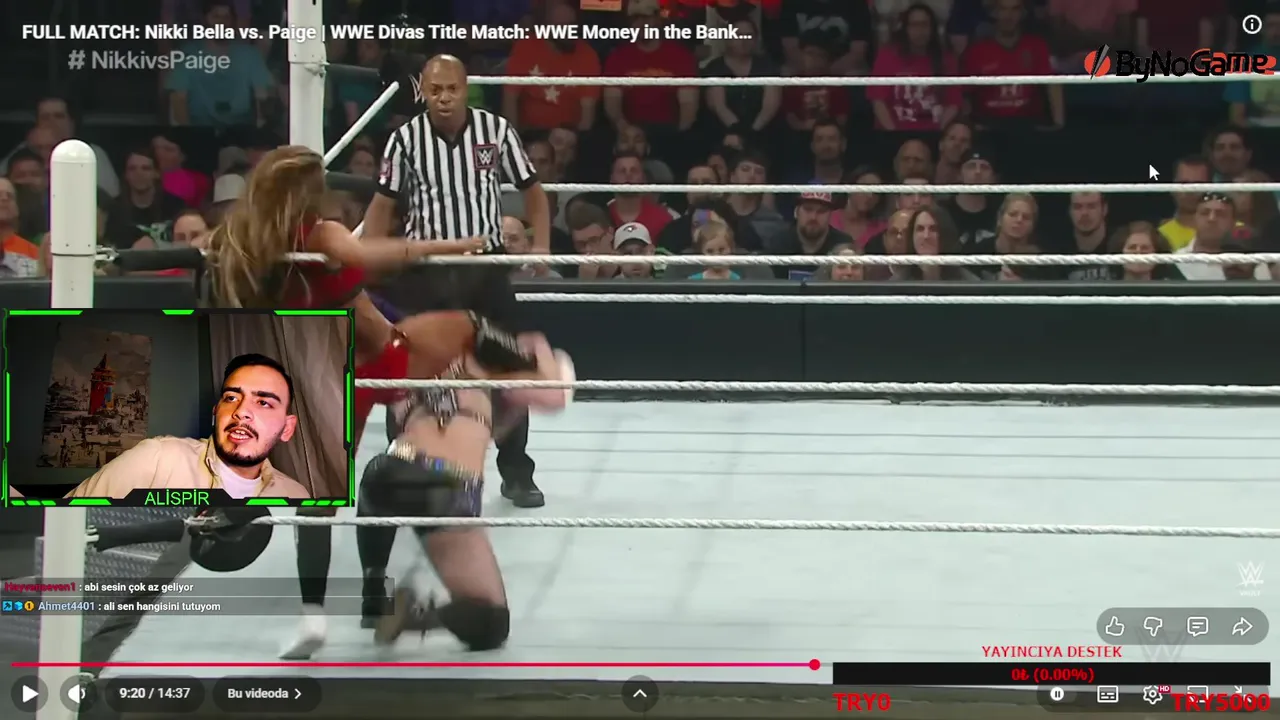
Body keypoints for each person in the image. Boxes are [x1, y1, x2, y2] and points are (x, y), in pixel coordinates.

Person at [204, 144, 528, 659]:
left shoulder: (238, 240)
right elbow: (379, 255)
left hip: (319, 370)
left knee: (316, 498)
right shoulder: (319, 233)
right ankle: (523, 385)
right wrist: (460, 244)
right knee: (469, 335)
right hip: (380, 357)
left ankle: (313, 615)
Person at [363, 54, 551, 512]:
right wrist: (369, 263)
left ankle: (517, 471)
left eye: (451, 89)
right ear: (423, 93)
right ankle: (400, 469)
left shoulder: (496, 130)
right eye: (435, 90)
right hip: (427, 273)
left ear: (466, 89)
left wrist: (542, 245)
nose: (444, 98)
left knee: (508, 367)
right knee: (413, 373)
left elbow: (533, 191)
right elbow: (382, 206)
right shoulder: (405, 140)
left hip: (486, 270)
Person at [365, 331, 576, 649]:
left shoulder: (412, 355)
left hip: (395, 463)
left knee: (383, 478)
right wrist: (540, 345)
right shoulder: (485, 365)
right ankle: (418, 615)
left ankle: (373, 588)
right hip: (445, 482)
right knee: (492, 623)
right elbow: (554, 395)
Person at [64, 354, 310, 499]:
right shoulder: (156, 459)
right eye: (231, 398)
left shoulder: (297, 495)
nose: (241, 411)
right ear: (216, 413)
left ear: (287, 428)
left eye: (264, 402)